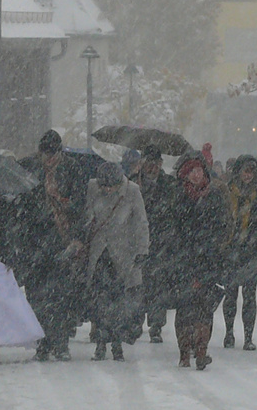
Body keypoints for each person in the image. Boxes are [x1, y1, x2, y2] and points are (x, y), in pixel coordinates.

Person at [19, 130, 91, 361]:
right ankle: (42, 342)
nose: (48, 159)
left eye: (52, 154)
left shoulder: (73, 170)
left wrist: (63, 204)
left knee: (61, 295)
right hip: (36, 240)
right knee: (37, 296)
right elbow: (24, 204)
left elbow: (81, 205)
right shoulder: (29, 169)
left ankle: (60, 342)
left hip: (63, 239)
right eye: (45, 154)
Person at [83, 161, 149, 361]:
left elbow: (140, 222)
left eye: (110, 186)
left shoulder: (132, 192)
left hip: (123, 256)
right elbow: (86, 215)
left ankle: (117, 344)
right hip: (99, 254)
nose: (107, 190)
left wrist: (142, 250)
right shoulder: (92, 188)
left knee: (120, 303)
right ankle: (101, 343)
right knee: (99, 302)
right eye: (104, 186)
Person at [172, 151, 226, 370]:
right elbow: (172, 228)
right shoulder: (178, 196)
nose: (197, 175)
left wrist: (215, 248)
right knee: (185, 309)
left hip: (208, 259)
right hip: (183, 259)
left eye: (200, 171)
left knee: (205, 308)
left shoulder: (214, 196)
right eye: (193, 171)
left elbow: (221, 226)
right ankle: (185, 353)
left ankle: (201, 351)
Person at [219, 155, 257, 350]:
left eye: (252, 171)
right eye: (245, 170)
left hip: (251, 252)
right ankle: (229, 333)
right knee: (231, 294)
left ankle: (248, 337)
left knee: (250, 296)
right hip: (231, 250)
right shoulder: (227, 193)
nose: (248, 175)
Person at [133, 147, 180, 343]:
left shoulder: (169, 184)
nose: (152, 168)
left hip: (162, 241)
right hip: (138, 241)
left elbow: (176, 210)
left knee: (159, 286)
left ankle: (156, 325)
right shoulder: (132, 183)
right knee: (137, 284)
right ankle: (135, 322)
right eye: (149, 163)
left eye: (156, 164)